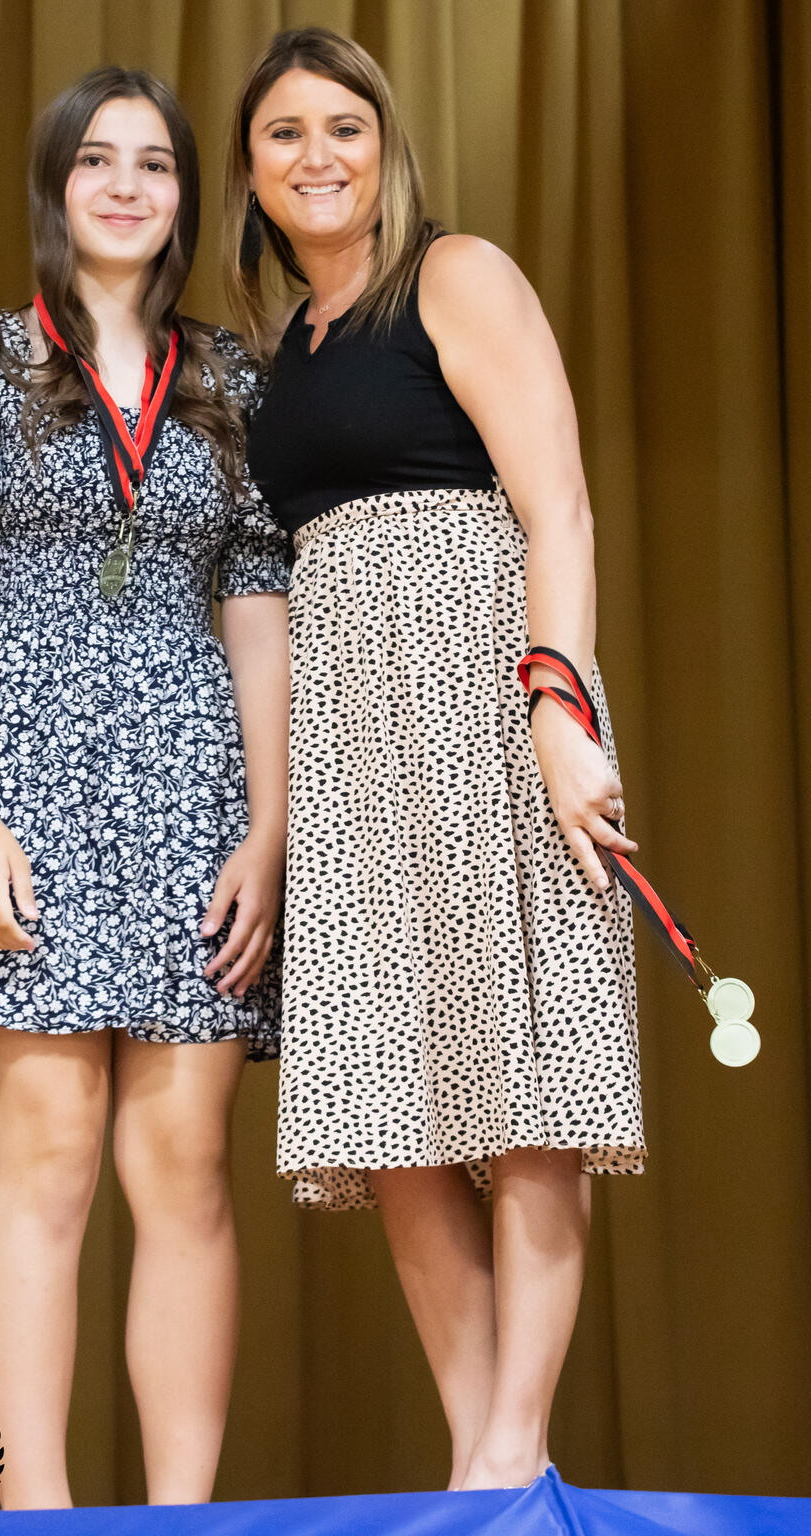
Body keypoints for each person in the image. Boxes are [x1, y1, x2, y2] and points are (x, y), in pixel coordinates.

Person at [0, 65, 291, 1509]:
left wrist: (270, 830)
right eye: (96, 160)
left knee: (188, 1169)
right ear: (54, 186)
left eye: (154, 164)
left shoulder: (230, 382)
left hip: (195, 794)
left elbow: (260, 621)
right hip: (24, 787)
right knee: (44, 1164)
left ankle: (181, 1521)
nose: (124, 185)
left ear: (186, 197)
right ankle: (35, 1516)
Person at [225, 27, 644, 1492]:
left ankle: (512, 1450)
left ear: (386, 146)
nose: (318, 155)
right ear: (249, 172)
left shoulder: (455, 276)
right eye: (285, 133)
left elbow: (560, 509)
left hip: (483, 699)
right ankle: (486, 1465)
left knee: (527, 1084)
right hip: (352, 743)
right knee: (389, 1108)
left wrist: (559, 709)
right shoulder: (286, 349)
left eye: (345, 126)